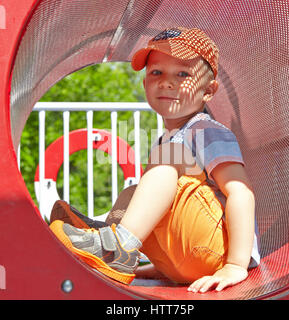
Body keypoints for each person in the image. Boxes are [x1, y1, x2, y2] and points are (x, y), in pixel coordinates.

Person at [50, 27, 260, 293]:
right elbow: (170, 214)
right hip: (188, 256)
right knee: (134, 192)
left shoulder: (206, 129)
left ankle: (117, 246)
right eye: (156, 73)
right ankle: (112, 242)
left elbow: (241, 192)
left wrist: (236, 264)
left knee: (166, 161)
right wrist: (160, 265)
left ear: (209, 91)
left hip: (216, 250)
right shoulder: (168, 139)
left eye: (182, 74)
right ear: (145, 83)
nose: (166, 82)